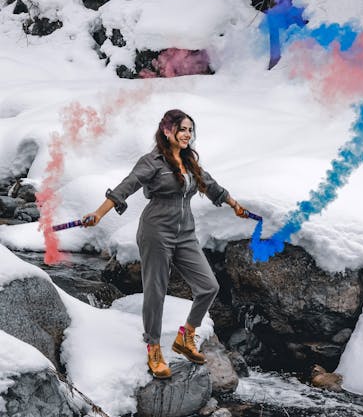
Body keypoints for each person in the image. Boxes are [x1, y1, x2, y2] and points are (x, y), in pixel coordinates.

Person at [82, 109, 249, 379]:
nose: (187, 134)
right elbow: (127, 186)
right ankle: (153, 347)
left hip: (185, 233)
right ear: (167, 130)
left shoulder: (189, 160)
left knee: (209, 287)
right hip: (156, 231)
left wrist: (234, 205)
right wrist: (99, 213)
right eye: (182, 129)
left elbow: (210, 185)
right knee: (156, 290)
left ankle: (186, 337)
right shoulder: (152, 162)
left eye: (190, 130)